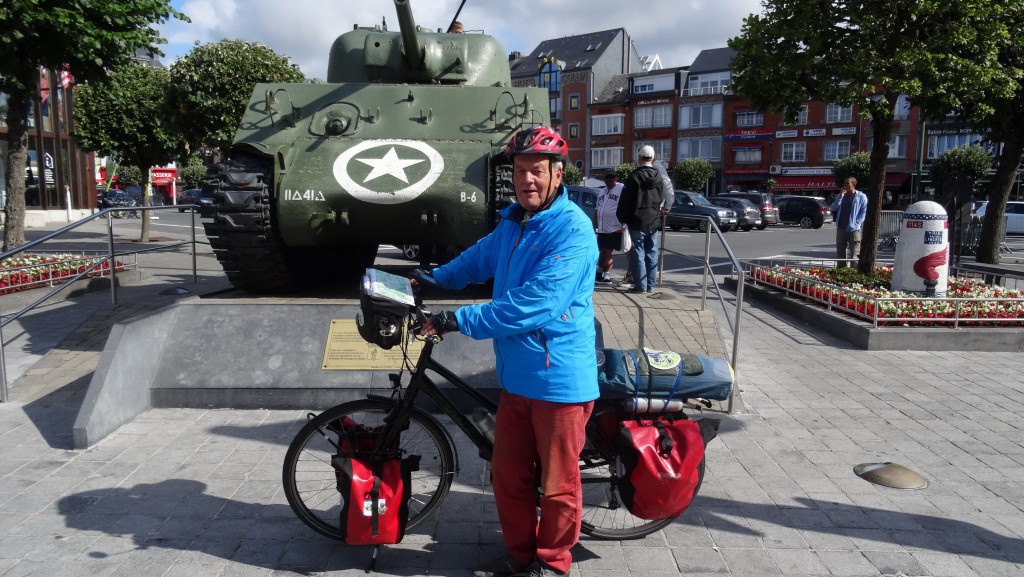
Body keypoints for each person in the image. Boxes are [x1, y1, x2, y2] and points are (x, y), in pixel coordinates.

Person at [418, 126, 598, 577]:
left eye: (536, 171)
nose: (527, 180)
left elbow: (538, 303)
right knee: (508, 475)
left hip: (558, 380)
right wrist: (433, 279)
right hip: (517, 379)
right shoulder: (513, 222)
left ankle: (554, 565)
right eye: (520, 171)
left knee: (558, 486)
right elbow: (477, 259)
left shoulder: (573, 230)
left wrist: (456, 318)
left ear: (558, 175)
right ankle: (520, 556)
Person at [616, 145, 666, 294]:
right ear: (653, 158)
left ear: (639, 158)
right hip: (654, 219)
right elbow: (662, 197)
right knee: (652, 252)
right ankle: (650, 285)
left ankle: (640, 286)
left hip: (637, 219)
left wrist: (622, 217)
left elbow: (626, 200)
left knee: (637, 253)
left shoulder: (634, 177)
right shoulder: (658, 176)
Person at [594, 172, 624, 284]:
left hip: (614, 226)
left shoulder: (621, 188)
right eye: (607, 177)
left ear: (616, 178)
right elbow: (597, 209)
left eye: (612, 177)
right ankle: (606, 276)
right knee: (605, 250)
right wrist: (595, 223)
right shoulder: (602, 191)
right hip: (602, 226)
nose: (610, 179)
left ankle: (600, 271)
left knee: (606, 249)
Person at [830, 176, 868, 264]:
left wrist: (857, 223)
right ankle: (841, 271)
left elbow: (863, 212)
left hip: (853, 229)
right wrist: (840, 197)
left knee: (854, 253)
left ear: (853, 184)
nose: (845, 185)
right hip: (841, 228)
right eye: (844, 183)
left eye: (848, 183)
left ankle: (853, 272)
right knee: (840, 252)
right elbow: (833, 208)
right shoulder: (841, 196)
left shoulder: (861, 197)